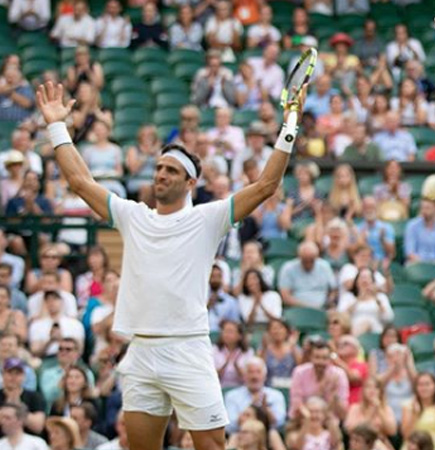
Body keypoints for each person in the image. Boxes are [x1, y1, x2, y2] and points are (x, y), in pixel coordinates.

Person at [35, 71, 307, 449]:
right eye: (159, 168)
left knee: (211, 446)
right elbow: (80, 182)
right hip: (141, 351)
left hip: (188, 350)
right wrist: (57, 127)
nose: (161, 174)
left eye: (171, 171)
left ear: (191, 182)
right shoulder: (134, 216)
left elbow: (266, 186)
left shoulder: (207, 218)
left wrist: (290, 122)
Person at [288, 337, 349, 420]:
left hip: (330, 421)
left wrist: (334, 396)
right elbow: (297, 408)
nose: (321, 362)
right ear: (310, 357)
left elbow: (343, 415)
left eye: (324, 358)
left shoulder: (339, 374)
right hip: (303, 420)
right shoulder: (299, 372)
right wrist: (321, 390)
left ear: (330, 359)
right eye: (317, 357)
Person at [224, 357, 286, 433]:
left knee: (273, 434)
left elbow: (279, 423)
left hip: (267, 436)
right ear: (244, 376)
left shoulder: (276, 395)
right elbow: (230, 426)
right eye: (250, 372)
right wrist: (251, 405)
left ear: (265, 376)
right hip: (240, 435)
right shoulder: (231, 396)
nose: (254, 376)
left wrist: (266, 409)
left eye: (258, 372)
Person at [400, 372, 435, 450]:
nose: (424, 388)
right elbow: (406, 435)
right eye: (420, 385)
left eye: (427, 384)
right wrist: (415, 415)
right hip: (414, 444)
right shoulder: (408, 405)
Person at [278, 241, 337, 309]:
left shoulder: (324, 266)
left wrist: (329, 301)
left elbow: (333, 289)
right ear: (299, 257)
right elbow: (285, 296)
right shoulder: (288, 268)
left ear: (316, 257)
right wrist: (308, 307)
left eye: (311, 260)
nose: (308, 263)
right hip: (297, 309)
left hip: (323, 307)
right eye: (305, 260)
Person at [0, 358, 46, 435]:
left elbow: (38, 426)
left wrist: (17, 407)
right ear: (3, 374)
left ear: (23, 376)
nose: (13, 377)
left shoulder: (34, 397)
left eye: (17, 373)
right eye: (9, 373)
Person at [404, 197, 435, 265]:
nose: (424, 211)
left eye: (427, 208)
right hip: (416, 263)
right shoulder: (412, 226)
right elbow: (410, 253)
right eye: (422, 208)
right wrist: (424, 265)